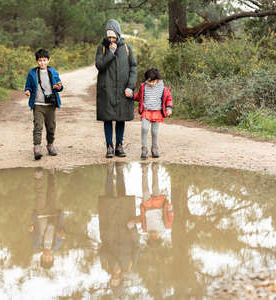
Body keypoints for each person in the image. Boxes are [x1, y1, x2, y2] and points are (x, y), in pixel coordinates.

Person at [95, 19, 137, 158]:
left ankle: (119, 145)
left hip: (122, 89)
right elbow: (100, 66)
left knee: (121, 117)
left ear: (118, 35)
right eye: (109, 37)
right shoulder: (102, 48)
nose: (111, 39)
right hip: (106, 89)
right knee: (108, 118)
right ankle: (109, 146)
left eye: (114, 36)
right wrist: (110, 53)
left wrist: (130, 86)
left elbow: (133, 67)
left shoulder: (127, 47)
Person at [98, 162, 140, 296]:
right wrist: (132, 228)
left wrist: (113, 263)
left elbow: (102, 250)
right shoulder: (129, 267)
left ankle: (109, 172)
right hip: (125, 226)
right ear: (122, 280)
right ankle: (120, 171)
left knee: (108, 196)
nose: (114, 278)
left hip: (108, 227)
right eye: (117, 280)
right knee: (123, 196)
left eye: (112, 281)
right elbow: (137, 245)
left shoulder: (105, 267)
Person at [24, 49, 64, 160]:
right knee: (38, 126)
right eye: (40, 60)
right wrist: (27, 91)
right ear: (37, 61)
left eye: (45, 60)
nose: (42, 63)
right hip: (37, 104)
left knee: (51, 127)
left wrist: (58, 87)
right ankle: (37, 147)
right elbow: (28, 86)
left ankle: (50, 145)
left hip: (50, 105)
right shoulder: (32, 73)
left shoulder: (53, 72)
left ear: (48, 60)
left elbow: (60, 86)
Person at [128, 163, 174, 247]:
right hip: (159, 206)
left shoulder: (145, 229)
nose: (153, 236)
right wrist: (170, 210)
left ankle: (144, 171)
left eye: (151, 237)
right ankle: (155, 170)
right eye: (155, 237)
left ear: (149, 238)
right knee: (155, 188)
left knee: (145, 192)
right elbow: (170, 218)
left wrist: (133, 222)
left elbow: (141, 218)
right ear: (159, 237)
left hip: (147, 208)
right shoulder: (166, 228)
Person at [28, 168, 65, 269]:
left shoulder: (36, 244)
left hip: (40, 215)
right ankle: (51, 173)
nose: (47, 256)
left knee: (40, 195)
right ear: (53, 257)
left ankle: (38, 177)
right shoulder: (57, 244)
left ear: (41, 257)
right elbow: (62, 230)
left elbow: (31, 233)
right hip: (53, 215)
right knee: (52, 192)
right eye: (49, 259)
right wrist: (61, 233)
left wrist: (30, 229)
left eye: (45, 259)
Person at [133, 68, 173, 159]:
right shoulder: (143, 87)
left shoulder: (163, 89)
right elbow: (139, 97)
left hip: (157, 112)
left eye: (152, 82)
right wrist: (132, 95)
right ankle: (144, 149)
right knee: (144, 128)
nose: (150, 84)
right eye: (148, 81)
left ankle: (154, 148)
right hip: (146, 111)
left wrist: (169, 107)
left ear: (157, 80)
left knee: (154, 132)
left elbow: (169, 99)